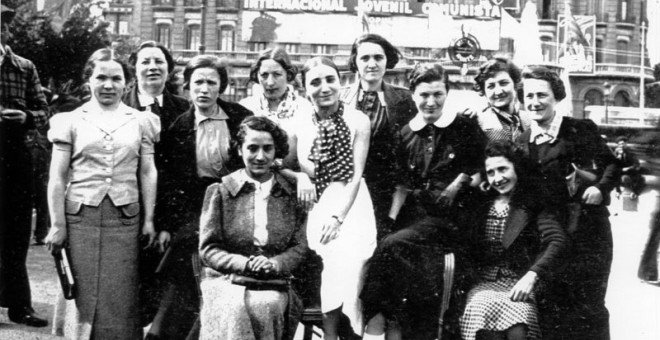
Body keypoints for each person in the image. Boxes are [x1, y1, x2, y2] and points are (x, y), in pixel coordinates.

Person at [360, 63, 487, 340]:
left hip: (453, 218)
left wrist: (459, 182)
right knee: (390, 246)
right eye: (423, 95)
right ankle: (392, 324)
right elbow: (403, 185)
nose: (430, 102)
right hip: (416, 218)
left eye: (437, 94)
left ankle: (375, 326)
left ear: (447, 93)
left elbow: (482, 170)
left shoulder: (464, 127)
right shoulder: (406, 133)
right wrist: (390, 222)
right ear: (413, 95)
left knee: (393, 246)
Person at [46, 48, 159, 339]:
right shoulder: (69, 120)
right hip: (80, 218)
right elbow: (57, 177)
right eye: (101, 77)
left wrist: (148, 220)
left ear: (127, 83)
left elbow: (147, 171)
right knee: (81, 291)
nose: (108, 85)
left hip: (125, 220)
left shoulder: (141, 120)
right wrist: (58, 224)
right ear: (89, 81)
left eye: (116, 78)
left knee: (119, 292)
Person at [156, 54, 253, 338]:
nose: (204, 88)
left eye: (211, 82)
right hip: (193, 206)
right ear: (187, 86)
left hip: (236, 202)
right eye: (197, 82)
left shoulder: (239, 117)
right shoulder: (177, 126)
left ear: (221, 87)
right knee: (187, 257)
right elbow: (168, 181)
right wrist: (165, 224)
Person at [520, 66, 619, 339]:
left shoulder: (579, 129)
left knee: (589, 308)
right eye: (529, 96)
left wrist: (600, 187)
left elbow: (611, 163)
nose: (535, 102)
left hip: (590, 234)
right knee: (552, 308)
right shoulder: (523, 142)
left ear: (557, 97)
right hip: (552, 238)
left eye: (542, 95)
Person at [284, 57, 376, 339]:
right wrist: (301, 177)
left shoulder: (358, 120)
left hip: (352, 203)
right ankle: (332, 334)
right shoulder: (298, 123)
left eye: (330, 80)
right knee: (331, 256)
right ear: (303, 89)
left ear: (340, 82)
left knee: (348, 254)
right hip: (316, 203)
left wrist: (338, 219)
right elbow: (283, 165)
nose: (324, 87)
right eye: (315, 82)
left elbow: (356, 175)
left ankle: (344, 332)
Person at [198, 116, 308, 340]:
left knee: (267, 304)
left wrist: (275, 263)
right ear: (239, 150)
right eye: (252, 148)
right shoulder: (220, 192)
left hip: (274, 280)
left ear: (277, 151)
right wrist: (244, 263)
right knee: (234, 308)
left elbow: (299, 246)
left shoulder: (289, 193)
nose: (260, 156)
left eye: (268, 149)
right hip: (227, 279)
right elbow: (209, 249)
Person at [459, 140, 567, 340]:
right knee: (482, 315)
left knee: (519, 322)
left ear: (516, 168)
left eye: (503, 169)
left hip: (521, 281)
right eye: (491, 172)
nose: (497, 178)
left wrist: (532, 275)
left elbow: (557, 239)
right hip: (484, 282)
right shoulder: (480, 203)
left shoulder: (532, 201)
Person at [122, 40, 191, 338]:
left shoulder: (184, 109)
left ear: (169, 69)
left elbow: (182, 173)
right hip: (123, 208)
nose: (152, 67)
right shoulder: (118, 103)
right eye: (145, 62)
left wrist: (166, 224)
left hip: (166, 214)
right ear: (134, 69)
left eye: (159, 62)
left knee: (159, 287)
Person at [0, 4, 49, 327]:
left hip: (14, 158)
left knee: (16, 236)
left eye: (5, 24)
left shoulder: (23, 66)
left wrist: (27, 117)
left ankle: (20, 306)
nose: (4, 30)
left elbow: (44, 110)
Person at [340, 33, 416, 240]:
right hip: (345, 190)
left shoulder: (405, 99)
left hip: (386, 193)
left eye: (378, 58)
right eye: (365, 58)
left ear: (387, 61)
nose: (372, 64)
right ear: (355, 62)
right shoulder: (340, 98)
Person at [239, 47, 312, 133]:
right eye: (264, 75)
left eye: (277, 74)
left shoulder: (304, 107)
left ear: (288, 75)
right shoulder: (245, 107)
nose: (270, 83)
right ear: (257, 76)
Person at [471, 57, 531, 144]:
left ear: (515, 84)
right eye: (491, 86)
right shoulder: (477, 123)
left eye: (503, 83)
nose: (498, 91)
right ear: (484, 91)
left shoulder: (530, 120)